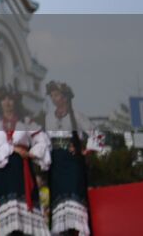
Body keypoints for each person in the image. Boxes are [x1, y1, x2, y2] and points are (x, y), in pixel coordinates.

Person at [0, 88, 50, 236]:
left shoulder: (26, 122)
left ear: (16, 102)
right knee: (9, 215)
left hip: (21, 168)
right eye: (4, 99)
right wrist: (13, 149)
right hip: (3, 169)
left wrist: (32, 153)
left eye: (10, 99)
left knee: (24, 211)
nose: (7, 103)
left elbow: (42, 141)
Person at [43, 81, 96, 236]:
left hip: (73, 164)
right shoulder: (48, 118)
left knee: (75, 200)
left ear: (65, 97)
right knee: (59, 202)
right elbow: (46, 140)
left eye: (57, 95)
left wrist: (86, 150)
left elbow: (96, 134)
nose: (54, 99)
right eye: (52, 95)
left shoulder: (77, 116)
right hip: (56, 163)